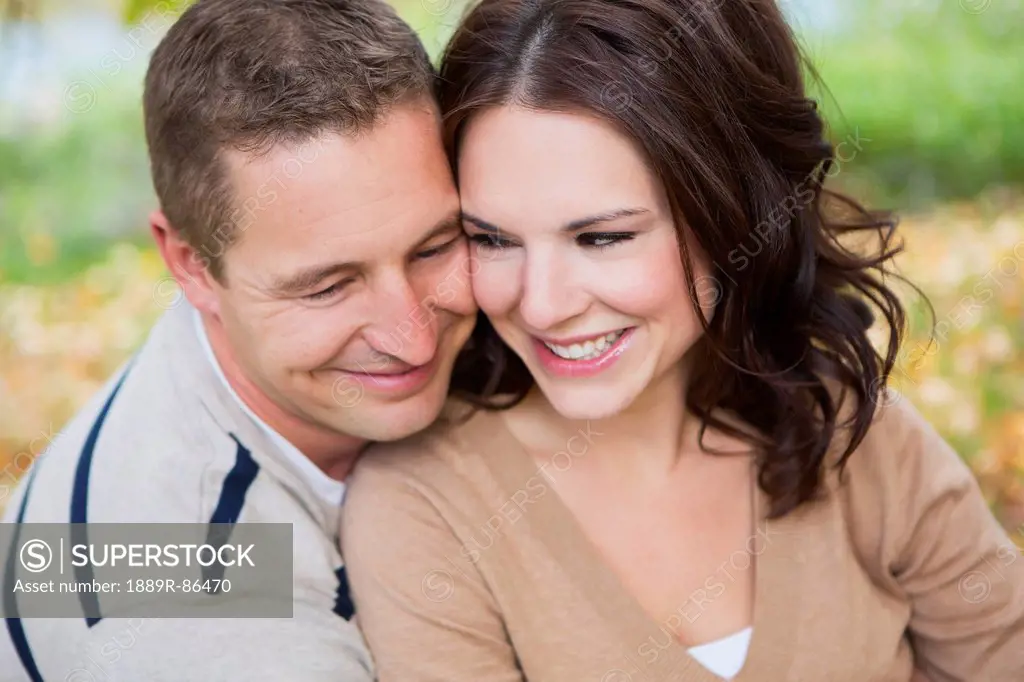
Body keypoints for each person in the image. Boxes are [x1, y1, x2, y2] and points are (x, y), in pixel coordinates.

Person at [340, 0, 1024, 680]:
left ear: (733, 213)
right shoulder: (429, 509)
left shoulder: (848, 428)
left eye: (602, 237)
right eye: (492, 239)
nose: (542, 305)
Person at [0, 0, 476, 680]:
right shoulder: (194, 606)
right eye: (328, 287)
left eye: (435, 246)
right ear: (192, 266)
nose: (414, 336)